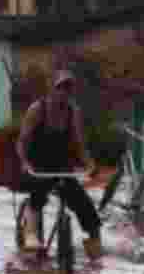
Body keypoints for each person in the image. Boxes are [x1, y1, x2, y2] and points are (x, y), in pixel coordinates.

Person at [15, 72, 103, 259]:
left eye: (68, 89)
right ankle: (30, 233)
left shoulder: (73, 112)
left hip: (62, 167)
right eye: (60, 88)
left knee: (83, 203)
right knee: (37, 195)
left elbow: (79, 145)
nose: (64, 93)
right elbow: (22, 141)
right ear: (52, 89)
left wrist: (90, 165)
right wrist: (24, 163)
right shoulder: (37, 109)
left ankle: (95, 242)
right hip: (38, 165)